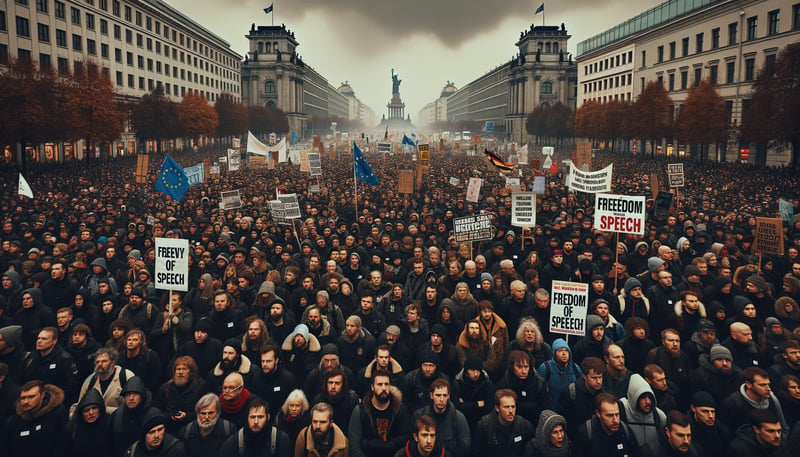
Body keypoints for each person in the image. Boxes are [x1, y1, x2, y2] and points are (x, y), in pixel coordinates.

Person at [348, 370, 411, 457]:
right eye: (380, 384)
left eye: (386, 384)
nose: (384, 388)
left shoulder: (400, 409)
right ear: (372, 387)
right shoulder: (361, 410)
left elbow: (404, 439)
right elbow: (354, 447)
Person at [1, 380, 67, 457]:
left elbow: (62, 447)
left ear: (42, 395)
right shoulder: (13, 422)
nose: (26, 401)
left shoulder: (56, 415)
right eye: (23, 398)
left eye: (31, 397)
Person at [410, 378, 471, 457]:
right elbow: (411, 443)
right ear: (431, 395)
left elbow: (465, 449)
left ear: (448, 396)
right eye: (438, 395)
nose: (441, 399)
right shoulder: (419, 415)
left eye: (445, 395)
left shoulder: (458, 418)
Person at [718, 366, 788, 432]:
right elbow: (726, 432)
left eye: (768, 384)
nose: (768, 388)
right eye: (762, 385)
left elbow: (783, 426)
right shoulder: (732, 403)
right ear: (748, 384)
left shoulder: (772, 399)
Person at [71, 346, 135, 417]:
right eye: (97, 362)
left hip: (119, 421)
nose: (100, 364)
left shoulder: (126, 376)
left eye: (104, 361)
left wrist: (103, 409)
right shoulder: (90, 379)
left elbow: (132, 407)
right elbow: (81, 403)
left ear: (112, 362)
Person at [218, 396, 292, 457]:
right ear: (247, 418)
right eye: (252, 417)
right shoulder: (234, 442)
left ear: (268, 417)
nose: (256, 422)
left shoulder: (280, 439)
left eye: (260, 417)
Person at [572, 392, 639, 457]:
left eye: (617, 414)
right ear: (598, 414)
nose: (615, 420)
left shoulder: (625, 431)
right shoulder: (586, 433)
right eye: (609, 415)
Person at [472, 389, 535, 457]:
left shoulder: (524, 426)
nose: (511, 411)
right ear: (497, 408)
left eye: (513, 407)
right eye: (506, 407)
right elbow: (476, 453)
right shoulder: (484, 426)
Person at [109, 376, 161, 457]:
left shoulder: (153, 415)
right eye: (128, 394)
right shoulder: (116, 416)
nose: (131, 398)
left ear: (142, 395)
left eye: (135, 394)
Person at [155, 355, 206, 434]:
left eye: (184, 369)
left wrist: (186, 416)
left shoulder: (200, 387)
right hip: (170, 428)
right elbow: (157, 411)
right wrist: (170, 416)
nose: (180, 372)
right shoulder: (165, 388)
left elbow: (204, 412)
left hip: (192, 429)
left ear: (191, 372)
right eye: (178, 369)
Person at [557, 357, 606, 437]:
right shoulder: (570, 392)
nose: (598, 382)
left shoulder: (604, 393)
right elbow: (561, 419)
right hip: (576, 437)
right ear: (584, 376)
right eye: (594, 378)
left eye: (600, 377)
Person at [176, 393, 237, 457]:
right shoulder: (186, 432)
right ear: (198, 414)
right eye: (203, 413)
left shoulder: (229, 429)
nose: (206, 417)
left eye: (210, 413)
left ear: (218, 413)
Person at [59, 388, 113, 457]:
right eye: (86, 410)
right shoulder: (71, 428)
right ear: (81, 413)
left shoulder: (109, 423)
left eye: (94, 408)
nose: (91, 413)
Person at [618, 374, 667, 448]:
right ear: (634, 397)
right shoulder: (622, 411)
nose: (648, 402)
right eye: (643, 397)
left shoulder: (659, 416)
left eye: (650, 397)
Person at [254, 344, 298, 417]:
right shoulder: (256, 378)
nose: (264, 364)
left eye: (268, 361)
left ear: (276, 360)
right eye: (262, 361)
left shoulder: (288, 379)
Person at [539, 338, 582, 410]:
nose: (564, 353)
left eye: (566, 350)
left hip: (569, 411)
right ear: (554, 353)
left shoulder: (576, 369)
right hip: (551, 411)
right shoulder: (545, 368)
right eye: (560, 350)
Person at [451, 354, 495, 426]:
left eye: (478, 370)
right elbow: (455, 407)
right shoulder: (458, 383)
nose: (475, 374)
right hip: (463, 421)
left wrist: (465, 404)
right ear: (466, 370)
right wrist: (476, 404)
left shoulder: (487, 383)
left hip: (482, 422)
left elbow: (488, 408)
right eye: (472, 370)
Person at [313, 367, 360, 433]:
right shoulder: (319, 399)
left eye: (337, 383)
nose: (333, 387)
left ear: (342, 385)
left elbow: (355, 427)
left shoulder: (351, 399)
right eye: (330, 383)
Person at [687, 391, 731, 457]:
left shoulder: (721, 430)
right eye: (705, 411)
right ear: (693, 408)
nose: (711, 416)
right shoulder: (686, 429)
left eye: (713, 412)